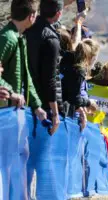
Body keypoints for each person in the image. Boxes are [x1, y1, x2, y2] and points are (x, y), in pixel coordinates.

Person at [0, 0, 47, 121]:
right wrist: (11, 93)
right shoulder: (8, 38)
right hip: (4, 112)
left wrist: (37, 106)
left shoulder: (19, 37)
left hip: (11, 112)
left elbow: (26, 76)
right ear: (31, 16)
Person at [25, 0, 65, 134]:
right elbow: (50, 79)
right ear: (58, 14)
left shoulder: (26, 27)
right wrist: (55, 113)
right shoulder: (51, 39)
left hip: (21, 96)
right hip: (41, 105)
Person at [61, 39, 99, 129]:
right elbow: (74, 97)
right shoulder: (79, 70)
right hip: (63, 112)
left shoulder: (67, 60)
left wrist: (80, 108)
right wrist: (89, 102)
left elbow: (71, 89)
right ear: (91, 57)